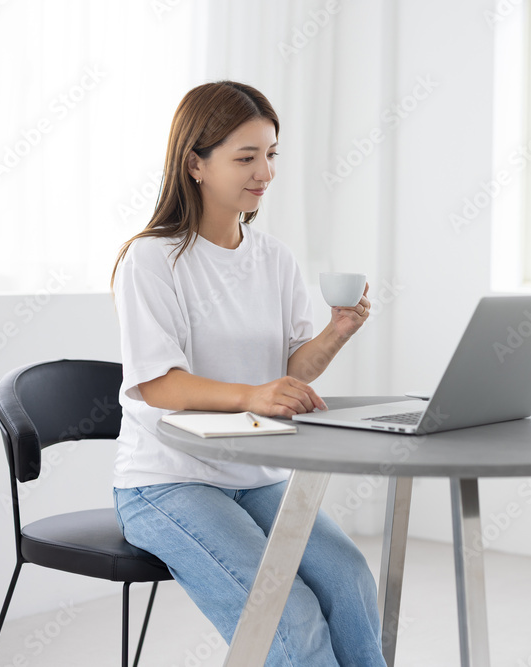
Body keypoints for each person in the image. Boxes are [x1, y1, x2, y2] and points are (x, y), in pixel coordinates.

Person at [108, 80, 385, 666]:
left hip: (258, 475)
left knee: (351, 581)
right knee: (288, 615)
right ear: (195, 164)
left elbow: (290, 369)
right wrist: (251, 396)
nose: (265, 172)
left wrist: (337, 331)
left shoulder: (274, 258)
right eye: (246, 157)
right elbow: (158, 384)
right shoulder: (152, 258)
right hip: (169, 480)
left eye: (271, 154)